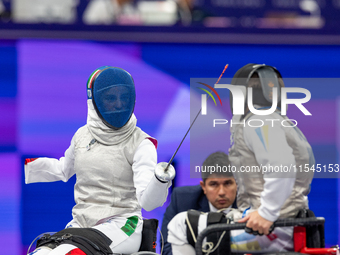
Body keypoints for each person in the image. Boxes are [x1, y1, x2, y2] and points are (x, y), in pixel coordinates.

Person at [25, 66, 175, 255]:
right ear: (94, 101)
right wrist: (26, 168)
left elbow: (148, 202)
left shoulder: (142, 143)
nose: (119, 104)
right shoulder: (82, 135)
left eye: (124, 98)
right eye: (111, 98)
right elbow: (63, 169)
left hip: (123, 225)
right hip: (81, 224)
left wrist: (160, 180)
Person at [167, 63, 315, 254]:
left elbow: (281, 167)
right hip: (287, 224)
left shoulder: (259, 122)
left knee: (181, 225)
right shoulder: (282, 123)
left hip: (271, 231)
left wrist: (266, 214)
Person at [162, 151, 237, 255]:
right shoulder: (182, 200)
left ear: (237, 183)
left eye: (228, 183)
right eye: (214, 184)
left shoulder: (253, 201)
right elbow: (166, 247)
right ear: (203, 187)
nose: (222, 192)